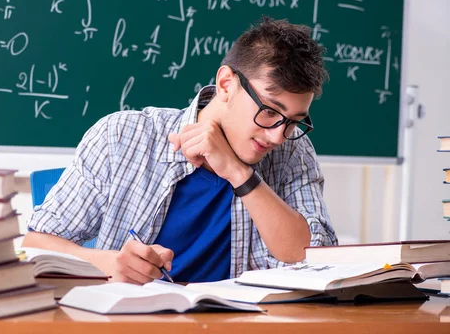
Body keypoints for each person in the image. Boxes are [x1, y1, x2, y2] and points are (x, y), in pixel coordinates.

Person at [24, 17, 338, 284]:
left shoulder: (293, 152)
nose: (277, 136)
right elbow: (35, 244)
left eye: (293, 122)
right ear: (227, 84)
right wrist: (107, 263)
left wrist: (237, 172)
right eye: (269, 111)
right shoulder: (122, 136)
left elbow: (312, 257)